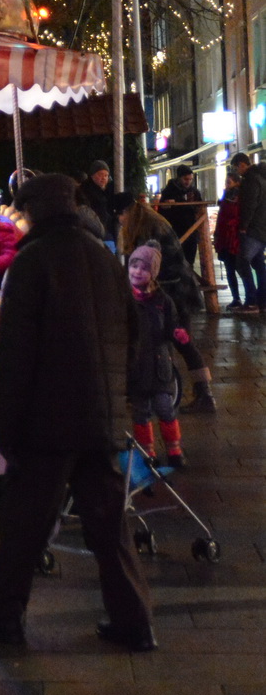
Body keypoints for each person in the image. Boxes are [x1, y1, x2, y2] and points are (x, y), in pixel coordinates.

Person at [0, 172, 154, 651]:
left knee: (25, 523)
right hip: (100, 415)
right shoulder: (104, 259)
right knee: (110, 525)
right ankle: (135, 622)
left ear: (35, 211)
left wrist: (7, 423)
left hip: (50, 419)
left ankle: (2, 619)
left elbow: (17, 353)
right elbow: (132, 331)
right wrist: (115, 391)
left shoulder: (32, 261)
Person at [118, 196, 215, 412]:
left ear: (128, 212)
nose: (120, 220)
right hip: (176, 290)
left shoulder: (147, 231)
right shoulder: (152, 224)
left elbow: (143, 266)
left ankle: (199, 395)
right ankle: (195, 393)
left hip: (174, 294)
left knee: (181, 342)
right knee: (181, 343)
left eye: (121, 214)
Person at [126, 243, 185, 469]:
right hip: (137, 367)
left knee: (165, 407)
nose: (137, 271)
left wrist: (177, 333)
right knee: (141, 412)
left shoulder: (162, 301)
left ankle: (174, 450)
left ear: (153, 273)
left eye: (144, 268)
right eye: (134, 266)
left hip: (160, 366)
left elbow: (172, 325)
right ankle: (147, 453)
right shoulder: (125, 299)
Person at [215, 157, 255, 309]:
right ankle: (236, 298)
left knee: (241, 268)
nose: (226, 186)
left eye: (229, 182)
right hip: (226, 239)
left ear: (237, 182)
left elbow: (237, 216)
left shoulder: (239, 197)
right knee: (230, 270)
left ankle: (249, 298)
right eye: (226, 183)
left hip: (235, 239)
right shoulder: (227, 197)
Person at [233, 152, 266, 313]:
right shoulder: (261, 177)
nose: (237, 172)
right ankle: (262, 301)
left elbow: (249, 205)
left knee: (242, 261)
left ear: (242, 164)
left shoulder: (251, 180)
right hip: (262, 228)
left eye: (236, 168)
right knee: (259, 264)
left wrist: (244, 226)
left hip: (254, 228)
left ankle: (252, 301)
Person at [158, 164, 207, 269]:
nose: (188, 182)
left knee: (189, 260)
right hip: (175, 231)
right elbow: (162, 210)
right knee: (176, 260)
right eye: (185, 179)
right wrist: (167, 205)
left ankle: (189, 281)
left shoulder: (194, 192)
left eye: (190, 179)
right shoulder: (169, 191)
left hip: (191, 230)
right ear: (179, 177)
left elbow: (200, 206)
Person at [78, 160, 123, 249]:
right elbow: (100, 213)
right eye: (100, 175)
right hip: (96, 233)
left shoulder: (104, 192)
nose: (103, 178)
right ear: (92, 175)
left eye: (106, 175)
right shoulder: (88, 192)